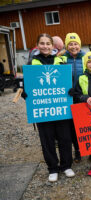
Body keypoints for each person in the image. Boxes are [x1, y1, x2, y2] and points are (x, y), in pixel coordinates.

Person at [22, 33, 75, 182]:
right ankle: (52, 168)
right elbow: (27, 83)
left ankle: (66, 166)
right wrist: (25, 93)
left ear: (53, 46)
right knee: (47, 139)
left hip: (61, 107)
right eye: (42, 43)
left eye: (48, 43)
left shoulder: (61, 61)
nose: (45, 46)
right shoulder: (33, 63)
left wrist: (71, 90)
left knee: (65, 138)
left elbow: (68, 80)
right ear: (38, 45)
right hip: (43, 109)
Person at [62, 33, 85, 163]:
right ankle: (77, 151)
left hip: (81, 96)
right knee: (72, 127)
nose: (73, 46)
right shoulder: (62, 59)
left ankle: (87, 148)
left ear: (79, 45)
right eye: (70, 44)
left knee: (83, 124)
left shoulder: (85, 57)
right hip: (67, 97)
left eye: (75, 43)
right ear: (67, 46)